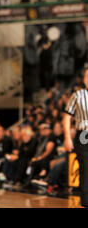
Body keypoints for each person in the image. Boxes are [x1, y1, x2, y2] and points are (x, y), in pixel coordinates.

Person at [63, 67, 88, 208]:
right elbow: (67, 116)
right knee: (86, 168)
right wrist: (67, 137)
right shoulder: (78, 95)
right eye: (86, 76)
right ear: (84, 79)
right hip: (84, 134)